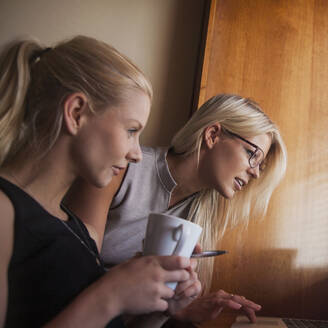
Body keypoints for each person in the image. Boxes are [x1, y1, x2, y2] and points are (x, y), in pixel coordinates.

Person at [0, 35, 201, 328]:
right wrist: (111, 293)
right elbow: (101, 305)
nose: (137, 154)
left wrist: (157, 308)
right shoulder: (4, 211)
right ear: (76, 112)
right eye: (131, 130)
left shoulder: (83, 231)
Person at [64, 93, 288, 324]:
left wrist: (175, 309)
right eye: (252, 154)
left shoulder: (200, 216)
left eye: (260, 165)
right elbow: (70, 275)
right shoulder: (120, 169)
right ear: (212, 135)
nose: (256, 172)